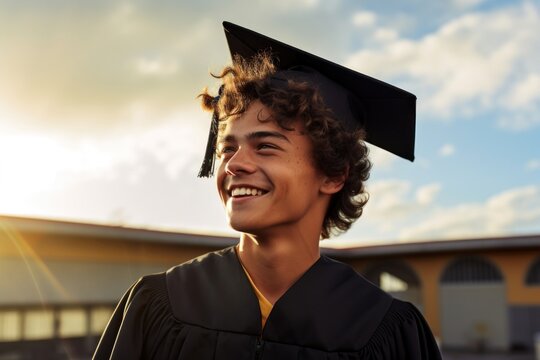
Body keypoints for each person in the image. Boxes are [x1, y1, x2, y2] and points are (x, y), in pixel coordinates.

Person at [93, 22, 442, 359]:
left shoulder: (384, 330)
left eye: (265, 147)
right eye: (228, 148)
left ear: (334, 175)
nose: (234, 164)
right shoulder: (159, 304)